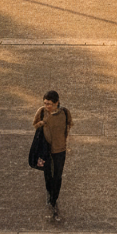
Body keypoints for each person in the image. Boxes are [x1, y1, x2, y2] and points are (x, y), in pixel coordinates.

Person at [33, 90, 72, 221]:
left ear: (57, 103)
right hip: (46, 150)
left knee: (58, 176)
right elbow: (35, 124)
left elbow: (69, 125)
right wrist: (42, 124)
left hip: (60, 150)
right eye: (45, 103)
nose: (46, 106)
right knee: (48, 174)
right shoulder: (42, 112)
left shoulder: (65, 113)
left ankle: (54, 199)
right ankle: (49, 192)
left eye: (49, 104)